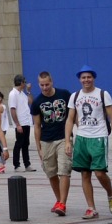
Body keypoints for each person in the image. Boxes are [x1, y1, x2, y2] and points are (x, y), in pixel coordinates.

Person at [65, 66, 112, 220]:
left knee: (99, 173)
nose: (86, 80)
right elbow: (69, 119)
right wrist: (68, 141)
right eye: (83, 77)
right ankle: (91, 208)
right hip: (82, 138)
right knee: (85, 174)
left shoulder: (103, 94)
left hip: (99, 137)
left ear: (93, 78)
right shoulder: (75, 96)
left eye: (89, 77)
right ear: (79, 79)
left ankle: (110, 194)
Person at [32, 71, 74, 216]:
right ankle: (59, 200)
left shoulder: (64, 94)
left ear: (52, 82)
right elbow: (37, 126)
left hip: (64, 138)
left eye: (47, 84)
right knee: (51, 173)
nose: (44, 88)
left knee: (64, 170)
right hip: (46, 140)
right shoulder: (37, 102)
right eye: (42, 85)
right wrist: (38, 148)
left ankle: (62, 203)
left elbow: (73, 116)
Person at [8, 74, 35, 172]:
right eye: (24, 82)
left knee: (26, 144)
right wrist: (17, 124)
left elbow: (31, 101)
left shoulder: (22, 93)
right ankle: (16, 165)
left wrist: (28, 91)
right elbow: (12, 109)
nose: (25, 84)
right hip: (20, 123)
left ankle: (27, 164)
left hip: (26, 122)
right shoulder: (13, 94)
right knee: (18, 143)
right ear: (21, 82)